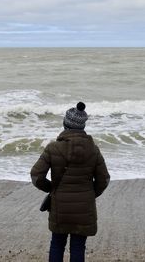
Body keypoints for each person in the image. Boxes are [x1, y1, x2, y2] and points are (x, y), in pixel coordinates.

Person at [30, 102, 110, 262]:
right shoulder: (93, 149)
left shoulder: (53, 148)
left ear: (65, 123)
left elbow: (36, 175)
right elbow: (104, 179)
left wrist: (52, 189)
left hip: (60, 206)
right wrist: (90, 194)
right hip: (84, 207)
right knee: (78, 247)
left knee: (57, 244)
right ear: (82, 126)